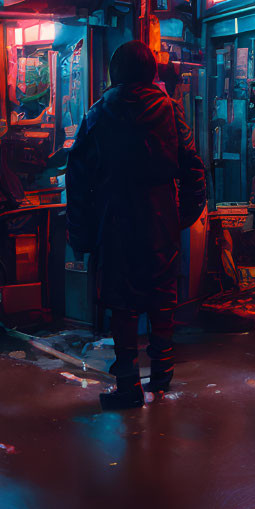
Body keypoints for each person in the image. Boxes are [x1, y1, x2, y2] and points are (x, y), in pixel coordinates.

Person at [67, 40, 207, 410]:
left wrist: (80, 234)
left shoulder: (97, 113)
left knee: (122, 304)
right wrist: (184, 215)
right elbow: (193, 165)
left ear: (115, 71)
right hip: (161, 217)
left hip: (113, 220)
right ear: (151, 71)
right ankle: (162, 377)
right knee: (162, 297)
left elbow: (77, 179)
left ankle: (127, 384)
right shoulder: (170, 110)